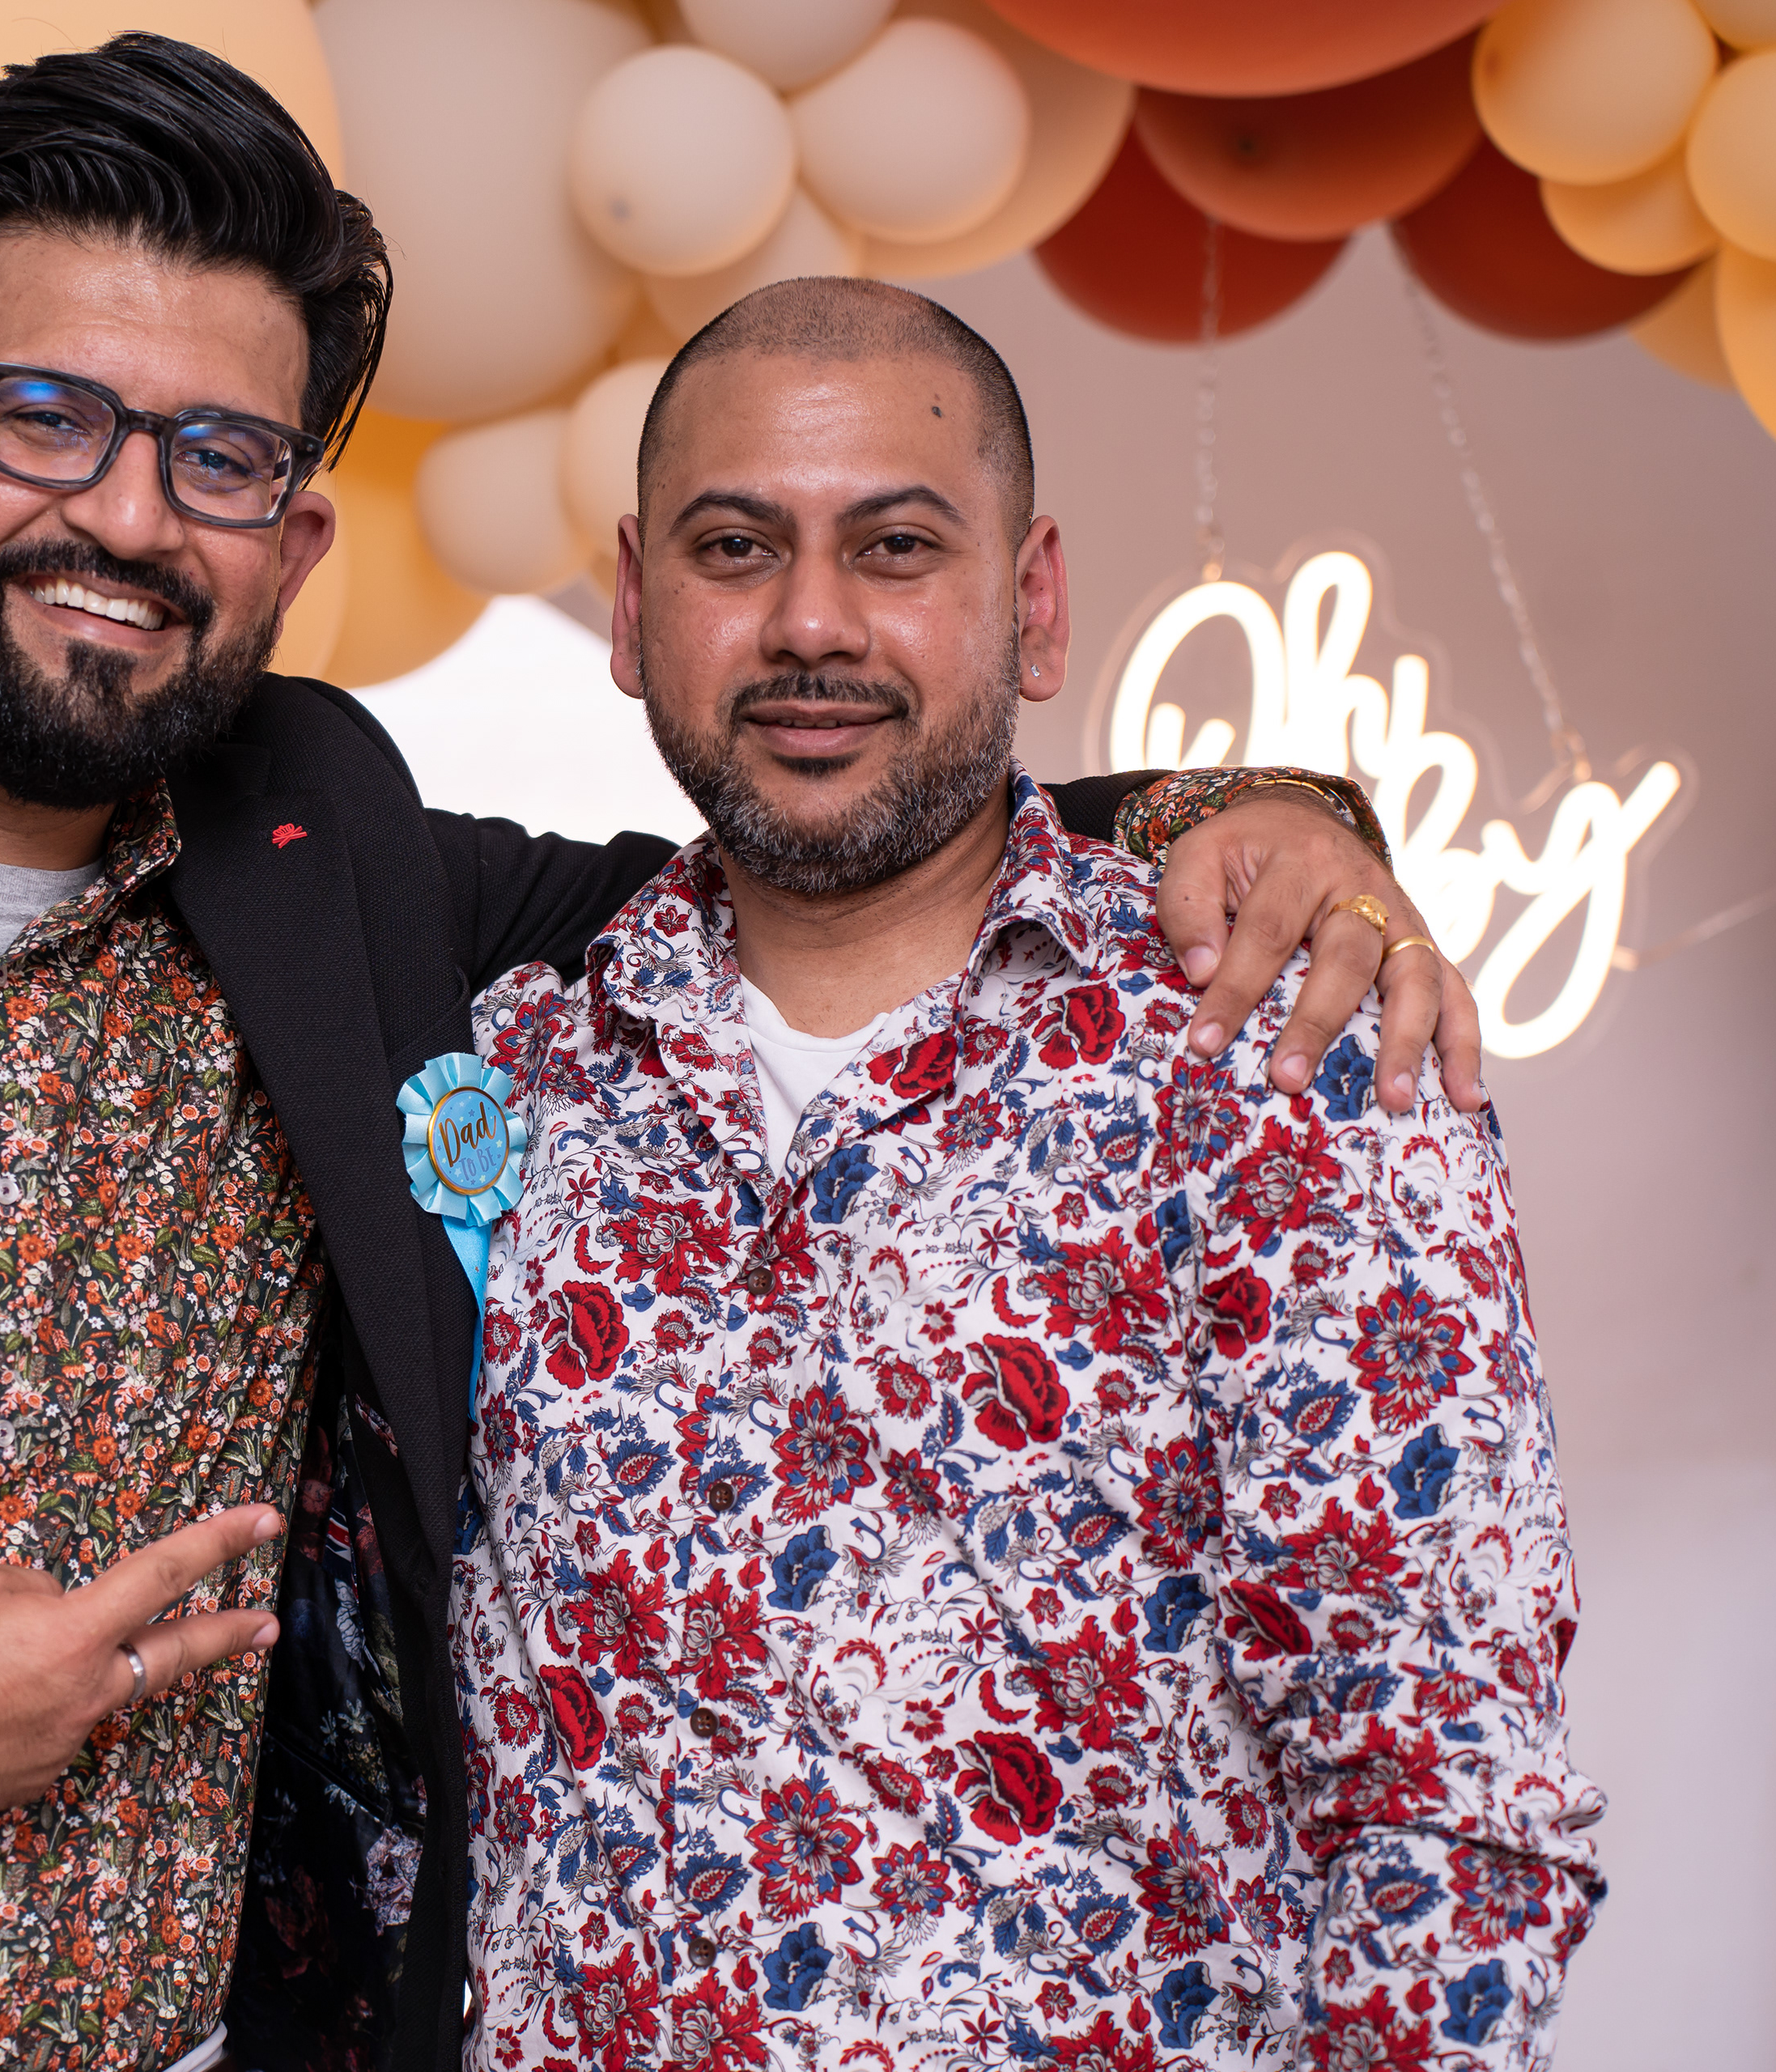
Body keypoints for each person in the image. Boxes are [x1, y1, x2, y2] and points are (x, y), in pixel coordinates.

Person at [0, 34, 1459, 2072]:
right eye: (45, 418)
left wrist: (1252, 814)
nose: (127, 516)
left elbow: (814, 831)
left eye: (216, 457)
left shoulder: (328, 849)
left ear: (294, 547)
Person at [448, 278, 1602, 2071]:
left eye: (897, 547)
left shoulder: (1286, 1059)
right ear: (632, 606)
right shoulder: (512, 1069)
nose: (810, 622)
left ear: (1035, 601)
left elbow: (1445, 1813)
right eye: (736, 547)